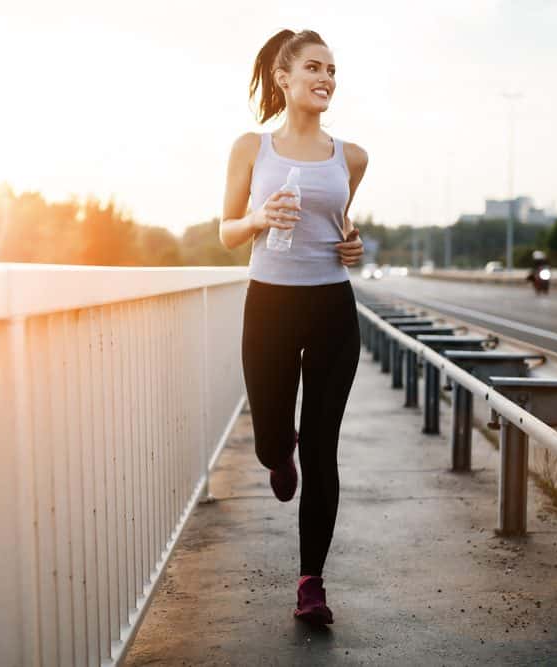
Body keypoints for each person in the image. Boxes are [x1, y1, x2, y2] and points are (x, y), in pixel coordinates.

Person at [218, 28, 367, 626]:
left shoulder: (351, 156)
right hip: (270, 307)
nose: (327, 78)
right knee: (271, 440)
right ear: (283, 78)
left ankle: (312, 584)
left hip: (332, 309)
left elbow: (341, 223)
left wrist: (353, 244)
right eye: (314, 67)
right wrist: (258, 216)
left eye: (333, 69)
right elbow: (226, 231)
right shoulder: (252, 148)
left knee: (324, 447)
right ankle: (280, 455)